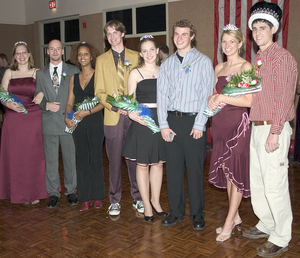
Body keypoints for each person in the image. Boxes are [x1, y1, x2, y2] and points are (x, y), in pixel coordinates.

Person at [242, 2, 298, 257]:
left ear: (273, 29)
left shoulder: (282, 58)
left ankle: (281, 235)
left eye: (262, 27)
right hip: (258, 127)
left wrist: (275, 131)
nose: (257, 32)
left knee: (275, 184)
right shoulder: (260, 59)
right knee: (260, 182)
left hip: (272, 129)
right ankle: (267, 222)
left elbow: (285, 97)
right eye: (254, 28)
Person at [157, 19, 214, 229]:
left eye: (184, 34)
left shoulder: (203, 62)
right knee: (172, 170)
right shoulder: (167, 64)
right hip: (171, 121)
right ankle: (177, 212)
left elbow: (207, 96)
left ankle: (197, 213)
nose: (179, 38)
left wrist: (200, 124)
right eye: (176, 34)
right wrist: (163, 124)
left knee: (194, 170)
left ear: (192, 36)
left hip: (194, 122)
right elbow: (161, 96)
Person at [207, 24, 252, 242]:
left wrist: (223, 98)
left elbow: (249, 101)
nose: (227, 45)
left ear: (240, 44)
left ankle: (228, 221)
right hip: (220, 123)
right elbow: (215, 94)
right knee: (227, 171)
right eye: (224, 41)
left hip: (238, 124)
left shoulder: (245, 67)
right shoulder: (218, 68)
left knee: (236, 172)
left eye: (231, 41)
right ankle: (236, 216)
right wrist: (212, 99)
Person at [94, 20, 143, 216]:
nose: (112, 36)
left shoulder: (135, 56)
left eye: (115, 32)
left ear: (123, 34)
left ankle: (138, 197)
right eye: (108, 34)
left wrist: (131, 106)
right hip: (113, 116)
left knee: (134, 159)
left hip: (133, 116)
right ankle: (114, 200)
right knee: (113, 161)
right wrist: (116, 105)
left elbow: (141, 85)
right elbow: (99, 91)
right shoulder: (101, 60)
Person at [122, 35, 168, 222]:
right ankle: (146, 205)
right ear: (140, 53)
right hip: (143, 121)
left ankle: (156, 202)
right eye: (145, 50)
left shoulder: (165, 71)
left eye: (152, 49)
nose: (149, 53)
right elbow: (129, 101)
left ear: (157, 51)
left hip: (161, 120)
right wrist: (132, 114)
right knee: (142, 165)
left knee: (157, 163)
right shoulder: (135, 73)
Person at [0, 41, 48, 205]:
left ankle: (34, 192)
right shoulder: (9, 73)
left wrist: (41, 93)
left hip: (33, 118)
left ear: (29, 54)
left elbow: (47, 89)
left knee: (33, 157)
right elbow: (2, 94)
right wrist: (7, 104)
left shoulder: (37, 72)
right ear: (14, 56)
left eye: (24, 52)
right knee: (17, 157)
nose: (21, 56)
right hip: (14, 119)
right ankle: (19, 193)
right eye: (18, 53)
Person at [36, 39, 80, 208]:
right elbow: (37, 96)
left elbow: (78, 95)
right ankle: (53, 193)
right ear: (47, 51)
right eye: (51, 49)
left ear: (63, 51)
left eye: (58, 49)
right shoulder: (40, 74)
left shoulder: (73, 70)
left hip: (68, 122)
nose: (55, 52)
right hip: (49, 122)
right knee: (51, 161)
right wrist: (45, 104)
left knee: (70, 159)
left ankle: (70, 191)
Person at [65, 42, 106, 212]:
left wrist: (87, 112)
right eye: (80, 54)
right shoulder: (73, 78)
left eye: (86, 54)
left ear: (91, 56)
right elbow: (69, 103)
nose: (83, 57)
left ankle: (98, 196)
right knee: (82, 160)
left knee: (96, 159)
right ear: (76, 57)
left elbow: (104, 102)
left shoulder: (99, 75)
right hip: (78, 124)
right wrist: (67, 118)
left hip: (95, 120)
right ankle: (85, 198)